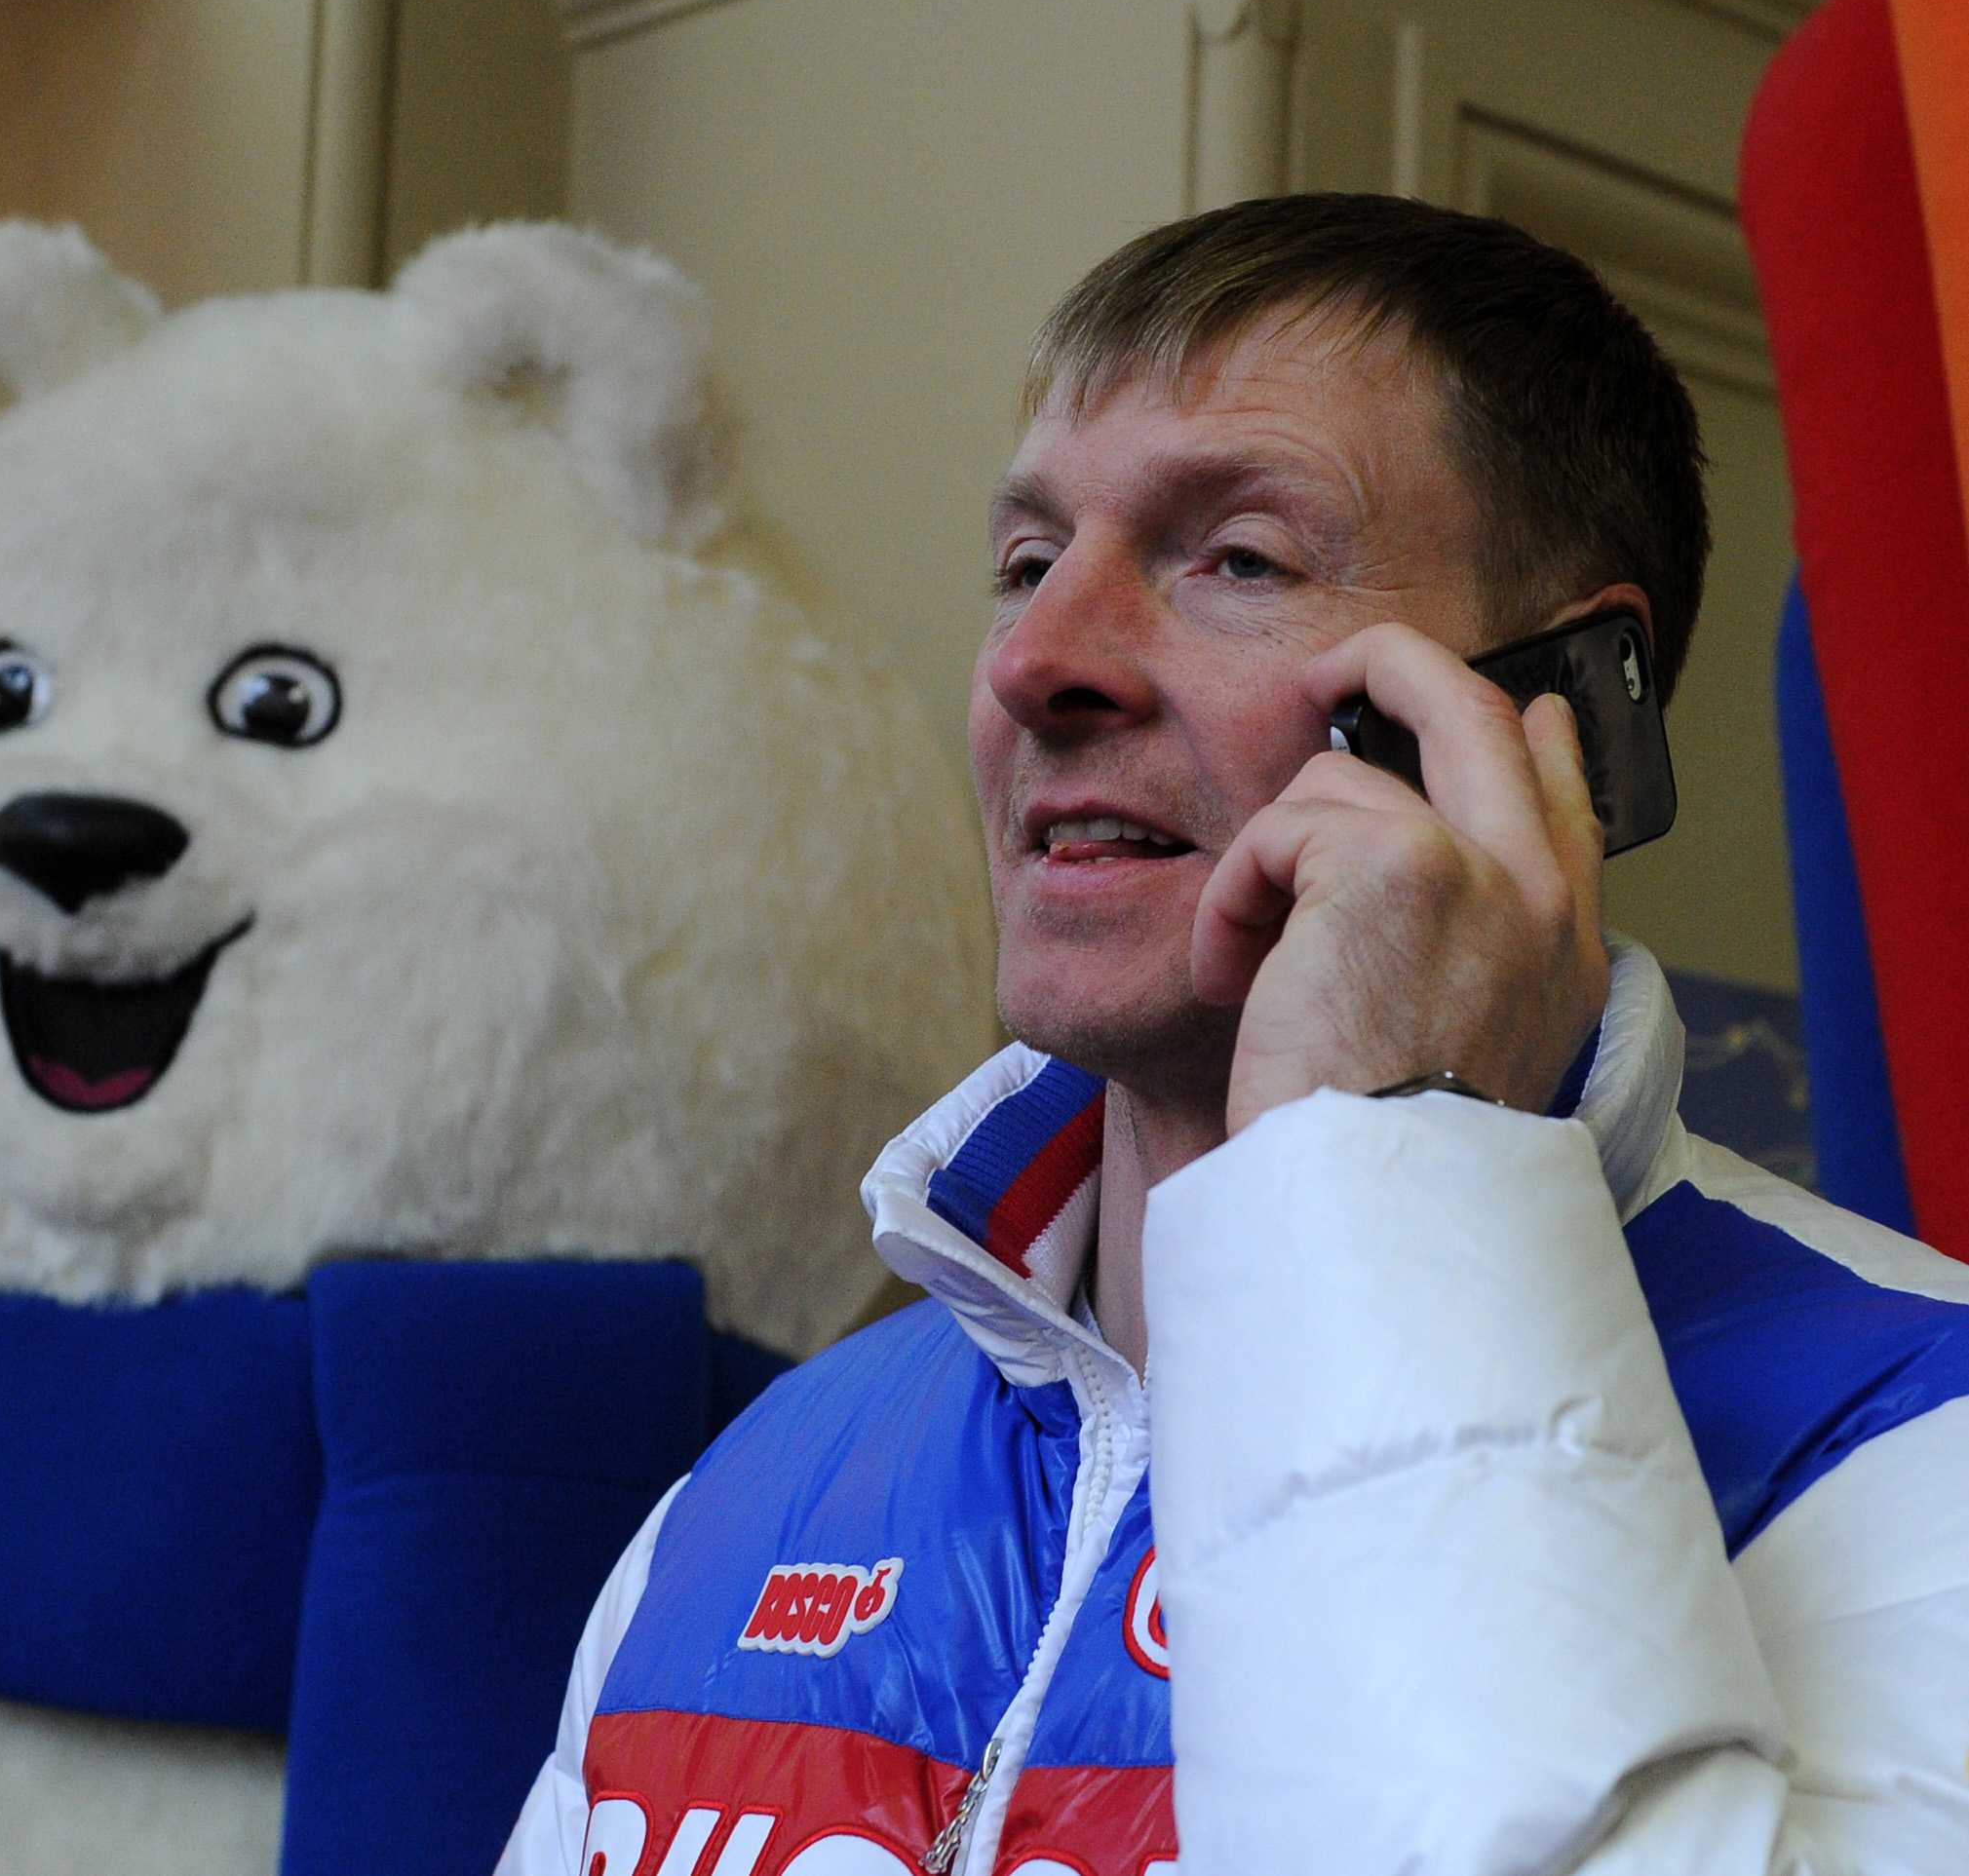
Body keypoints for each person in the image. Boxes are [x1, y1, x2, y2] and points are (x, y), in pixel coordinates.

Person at [495, 194, 1969, 1876]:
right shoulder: (744, 1498)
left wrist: (1387, 1165)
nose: (1037, 660)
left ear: (1549, 714)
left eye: (1238, 560)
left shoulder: (1916, 1445)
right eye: (1026, 565)